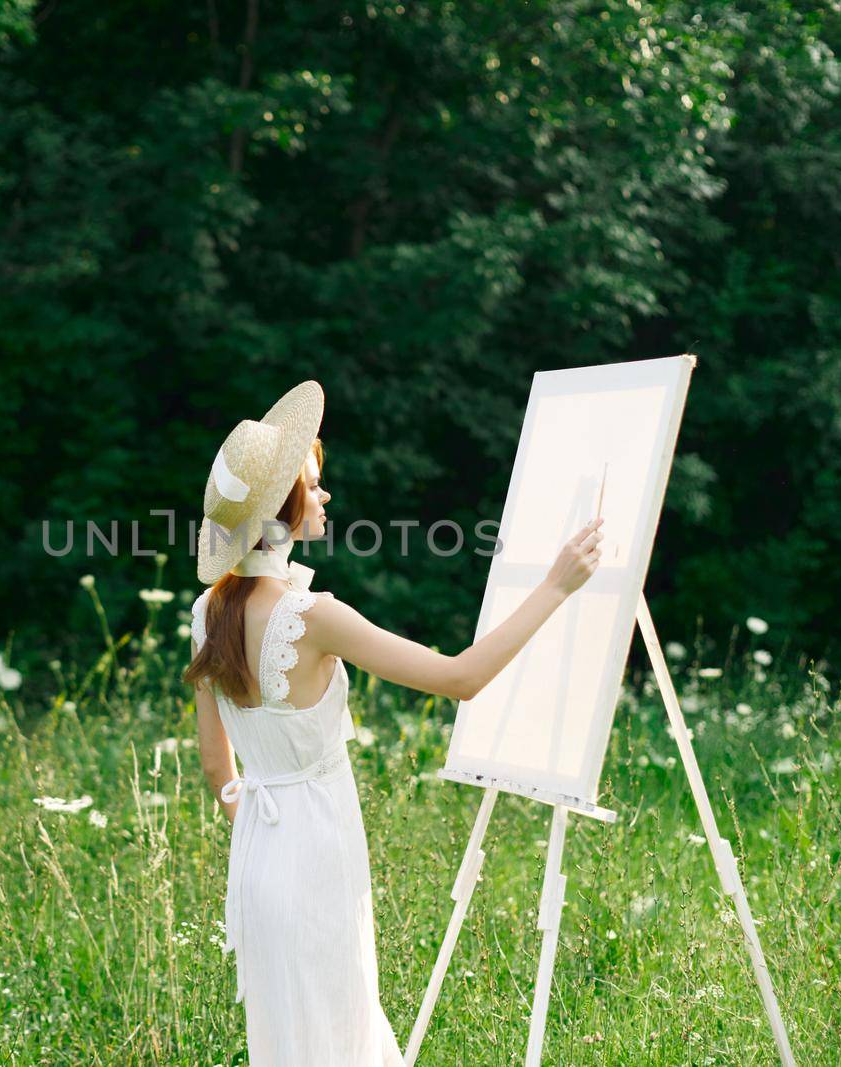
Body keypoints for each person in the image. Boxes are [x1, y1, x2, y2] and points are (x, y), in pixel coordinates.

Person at [184, 380, 603, 1066]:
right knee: (338, 1034)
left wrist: (260, 824)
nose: (323, 496)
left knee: (291, 1040)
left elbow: (213, 764)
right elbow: (460, 677)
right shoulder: (314, 616)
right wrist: (555, 585)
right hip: (316, 851)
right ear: (278, 512)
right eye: (312, 486)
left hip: (259, 857)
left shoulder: (208, 611)